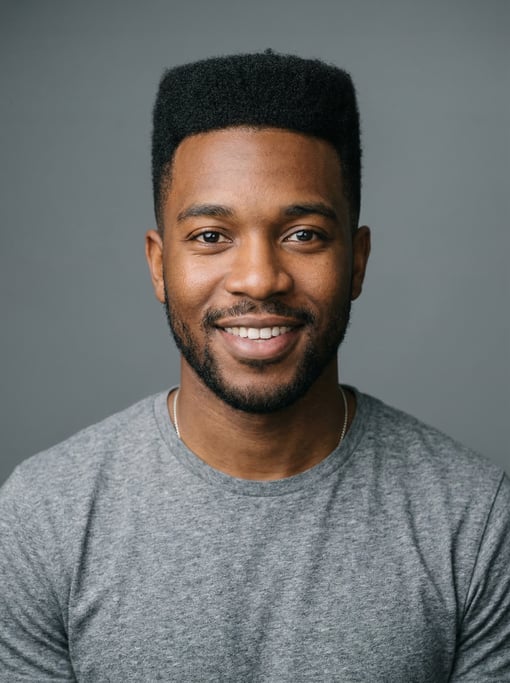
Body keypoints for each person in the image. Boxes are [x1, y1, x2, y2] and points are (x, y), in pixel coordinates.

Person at [0, 51, 509, 682]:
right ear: (160, 264)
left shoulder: (474, 520)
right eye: (212, 236)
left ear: (357, 260)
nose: (259, 278)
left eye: (304, 234)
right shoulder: (45, 516)